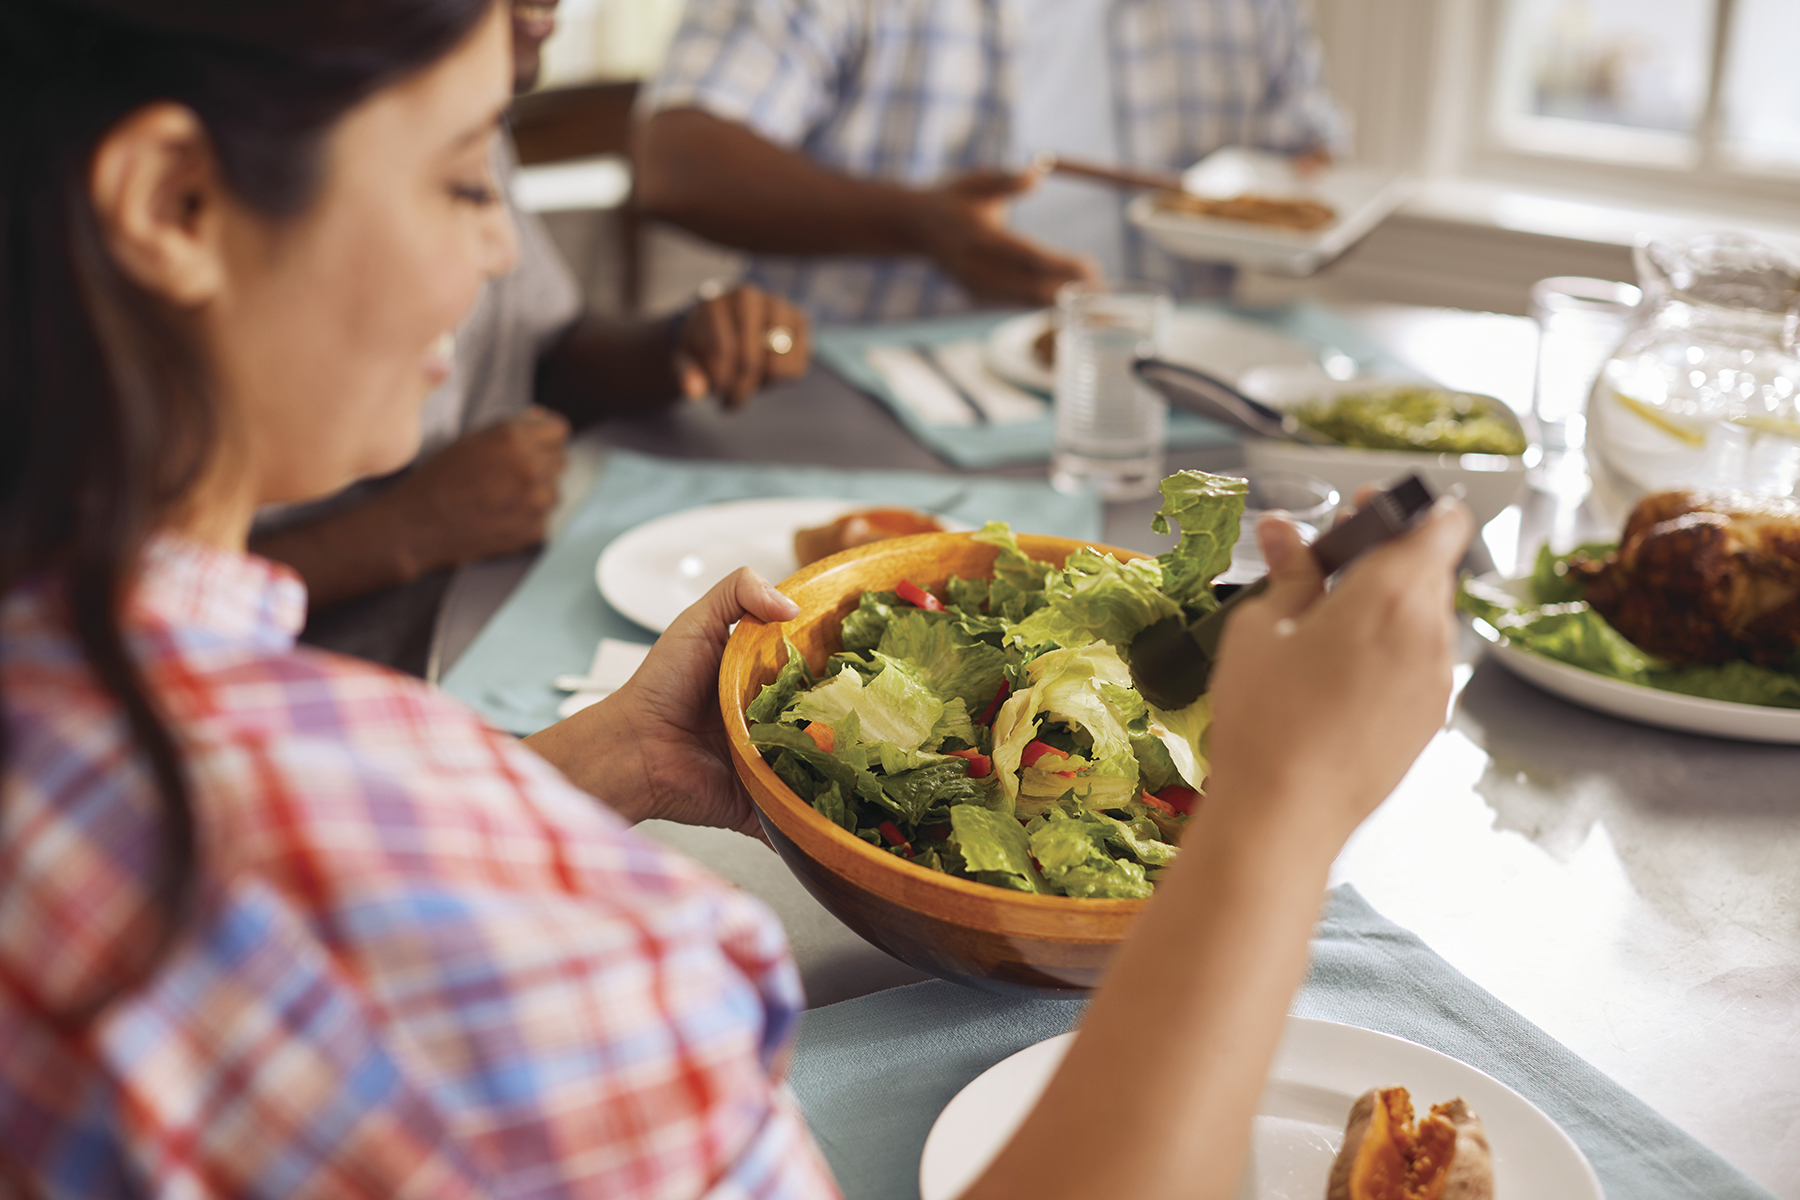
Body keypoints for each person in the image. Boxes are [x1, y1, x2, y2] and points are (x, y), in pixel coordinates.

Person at [0, 1, 1472, 1197]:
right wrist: (1277, 816)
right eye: (463, 177)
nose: (503, 246)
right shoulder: (557, 952)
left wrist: (587, 768)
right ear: (175, 201)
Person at [249, 0, 813, 675]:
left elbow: (535, 347)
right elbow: (133, 583)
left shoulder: (467, 109)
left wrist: (676, 344)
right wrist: (405, 531)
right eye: (461, 189)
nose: (501, 251)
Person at [637, 0, 1345, 324]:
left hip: (1168, 397)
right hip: (871, 395)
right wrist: (916, 224)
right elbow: (679, 162)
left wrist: (1312, 194)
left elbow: (1300, 150)